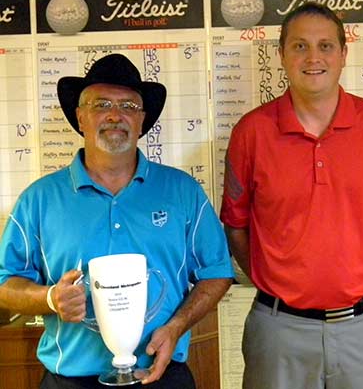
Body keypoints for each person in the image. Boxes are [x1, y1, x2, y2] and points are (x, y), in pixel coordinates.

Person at [220, 2, 363, 389]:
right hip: (280, 332)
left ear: (344, 54)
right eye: (299, 46)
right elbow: (236, 226)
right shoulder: (251, 133)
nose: (313, 57)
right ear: (281, 55)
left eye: (326, 46)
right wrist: (277, 280)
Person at [0, 54, 234, 389]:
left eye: (128, 105)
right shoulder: (39, 199)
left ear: (142, 121)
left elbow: (216, 272)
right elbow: (5, 283)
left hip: (162, 374)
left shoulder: (183, 192)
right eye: (101, 104)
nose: (115, 115)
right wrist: (49, 299)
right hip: (71, 380)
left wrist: (177, 326)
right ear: (80, 117)